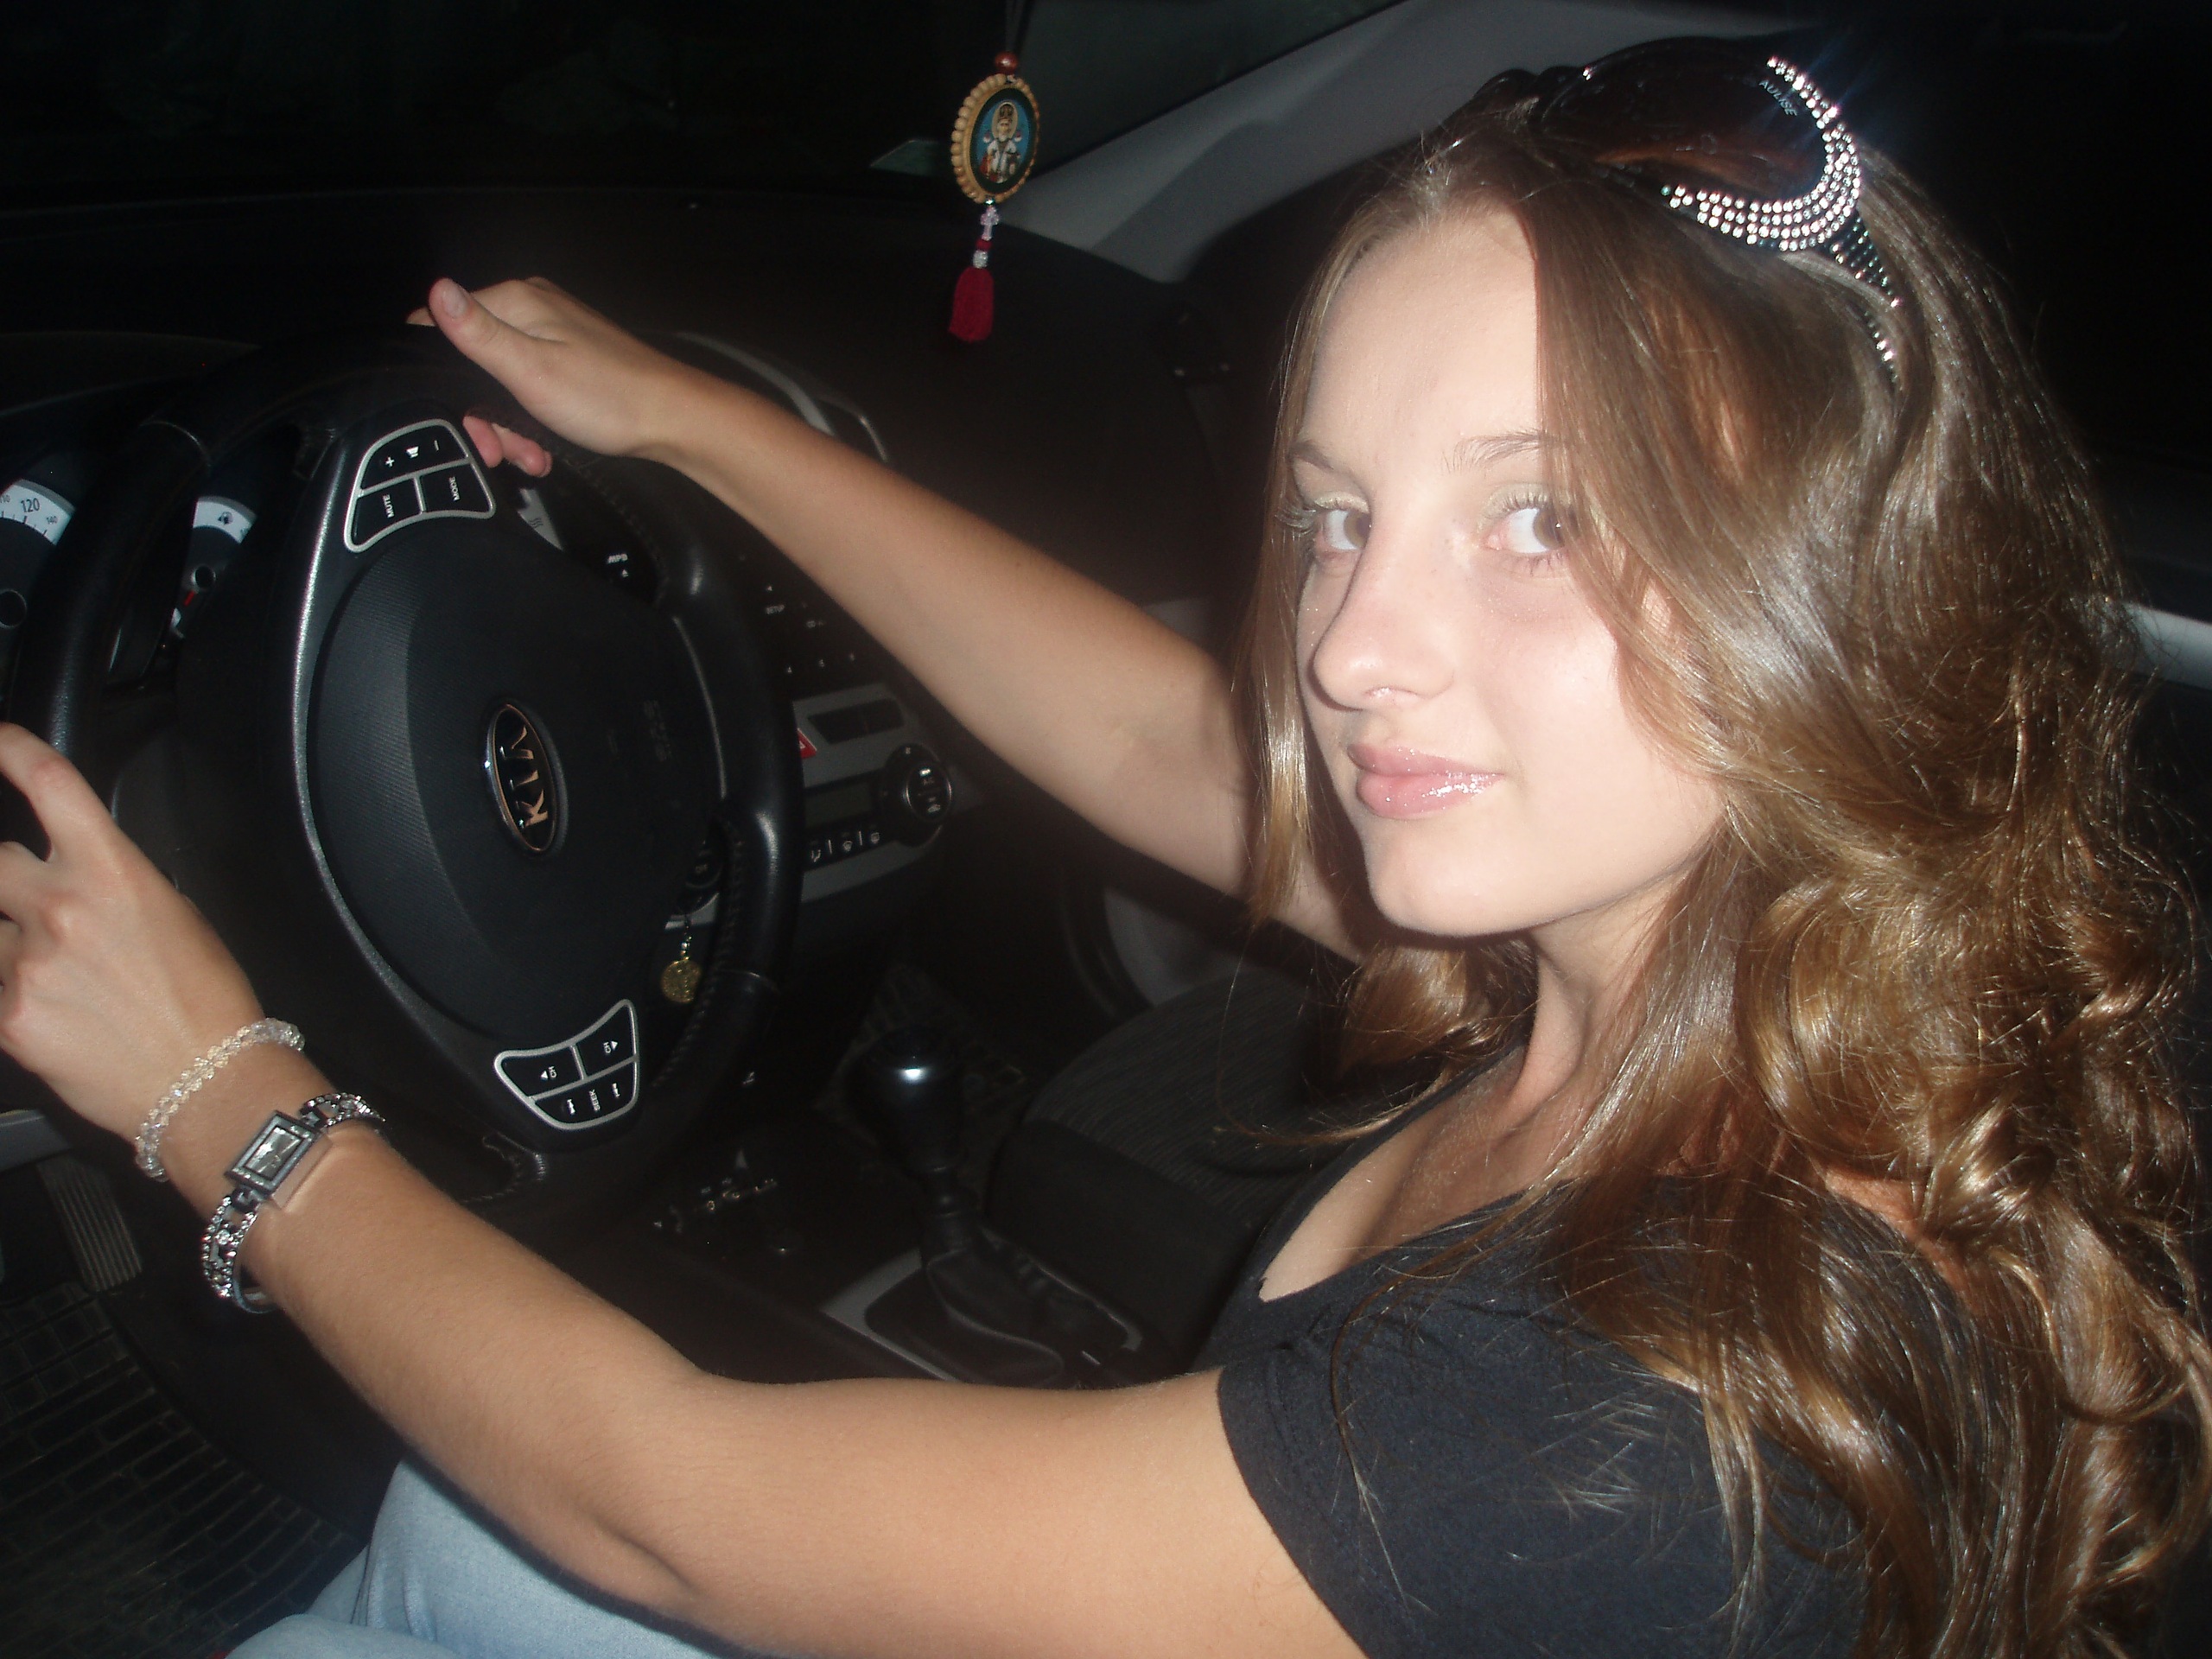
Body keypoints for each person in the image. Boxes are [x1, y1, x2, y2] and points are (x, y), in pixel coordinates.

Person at [0, 38, 2203, 1659]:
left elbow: (672, 1513)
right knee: (451, 1538)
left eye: (1537, 516)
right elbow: (1174, 742)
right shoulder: (1732, 950)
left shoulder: (1623, 1421)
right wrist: (691, 425)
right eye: (1333, 516)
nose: (1348, 648)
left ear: (1824, 577)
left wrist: (205, 1082)